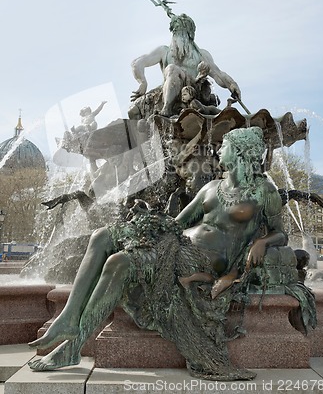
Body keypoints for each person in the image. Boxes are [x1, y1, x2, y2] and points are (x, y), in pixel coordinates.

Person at [28, 126, 286, 372]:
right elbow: (178, 223)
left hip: (201, 260)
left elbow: (280, 232)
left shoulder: (264, 191)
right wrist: (147, 221)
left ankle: (73, 347)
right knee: (102, 236)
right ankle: (69, 318)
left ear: (240, 152)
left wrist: (263, 241)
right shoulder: (210, 188)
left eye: (226, 146)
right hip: (176, 242)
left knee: (119, 263)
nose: (219, 151)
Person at [131, 13, 241, 116]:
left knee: (172, 69)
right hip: (166, 92)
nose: (178, 36)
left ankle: (166, 110)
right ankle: (166, 107)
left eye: (182, 32)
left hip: (192, 92)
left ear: (190, 34)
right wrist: (142, 83)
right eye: (176, 32)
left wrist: (231, 84)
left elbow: (218, 74)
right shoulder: (164, 51)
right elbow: (137, 63)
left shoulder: (201, 54)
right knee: (134, 110)